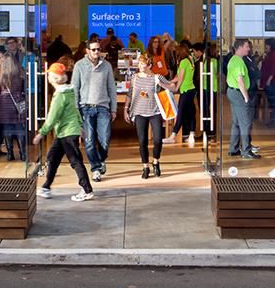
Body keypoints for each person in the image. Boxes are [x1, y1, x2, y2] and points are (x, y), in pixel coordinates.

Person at [33, 63, 95, 202]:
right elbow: (74, 110)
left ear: (53, 78)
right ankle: (46, 187)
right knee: (52, 158)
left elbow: (52, 117)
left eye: (49, 75)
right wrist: (79, 125)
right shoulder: (69, 92)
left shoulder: (60, 95)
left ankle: (87, 190)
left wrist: (41, 133)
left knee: (75, 161)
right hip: (65, 132)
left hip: (67, 132)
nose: (48, 77)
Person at [126, 52, 179, 178]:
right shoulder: (134, 78)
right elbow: (130, 94)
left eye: (143, 64)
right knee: (142, 141)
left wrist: (163, 85)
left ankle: (156, 161)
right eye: (139, 64)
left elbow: (173, 87)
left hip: (155, 111)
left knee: (157, 139)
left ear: (149, 65)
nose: (140, 66)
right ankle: (145, 166)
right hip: (139, 111)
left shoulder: (157, 77)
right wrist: (126, 109)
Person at [71, 39, 117, 182]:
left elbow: (111, 88)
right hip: (85, 107)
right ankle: (96, 168)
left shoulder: (106, 66)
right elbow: (75, 89)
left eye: (99, 49)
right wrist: (76, 110)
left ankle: (101, 160)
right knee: (89, 140)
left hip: (103, 107)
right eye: (94, 49)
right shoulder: (79, 65)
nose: (97, 52)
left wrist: (113, 109)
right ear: (87, 51)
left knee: (104, 139)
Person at [225, 38, 260, 159]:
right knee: (245, 123)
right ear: (240, 47)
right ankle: (246, 150)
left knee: (236, 122)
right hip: (238, 94)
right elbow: (240, 80)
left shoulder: (234, 60)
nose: (249, 49)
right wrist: (246, 97)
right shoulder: (238, 61)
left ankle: (234, 149)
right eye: (246, 46)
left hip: (233, 92)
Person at [0, 48, 28, 161]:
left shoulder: (0, 74)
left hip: (4, 103)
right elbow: (24, 88)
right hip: (18, 101)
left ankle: (10, 153)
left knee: (7, 128)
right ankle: (23, 153)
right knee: (20, 128)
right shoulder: (20, 72)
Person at [170, 42, 201, 146]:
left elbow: (181, 77)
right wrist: (171, 81)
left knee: (181, 113)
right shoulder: (190, 60)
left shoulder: (183, 62)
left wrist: (176, 87)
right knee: (191, 113)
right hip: (190, 89)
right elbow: (179, 76)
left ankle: (174, 135)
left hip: (185, 90)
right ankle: (191, 134)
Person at [259, 38, 275, 115]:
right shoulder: (270, 54)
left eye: (267, 45)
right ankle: (273, 117)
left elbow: (274, 67)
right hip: (269, 81)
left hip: (272, 82)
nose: (265, 46)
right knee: (272, 102)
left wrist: (269, 79)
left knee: (273, 102)